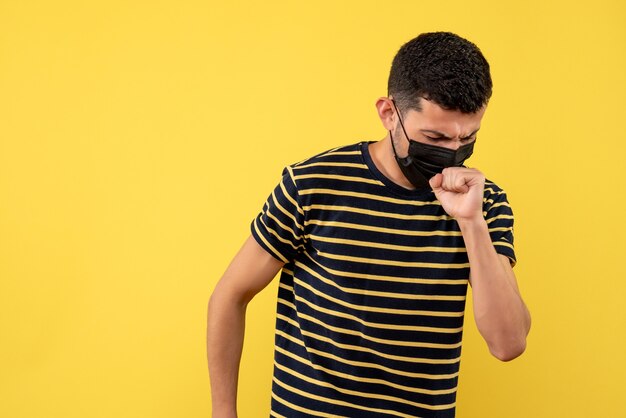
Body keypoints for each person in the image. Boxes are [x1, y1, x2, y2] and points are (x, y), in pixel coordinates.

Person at [207, 31, 531, 418]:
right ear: (388, 113)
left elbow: (507, 343)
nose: (452, 152)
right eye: (434, 136)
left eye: (468, 137)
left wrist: (471, 223)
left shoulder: (485, 203)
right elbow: (230, 294)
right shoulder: (313, 183)